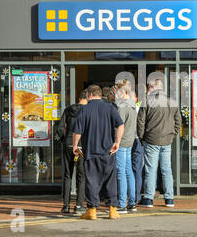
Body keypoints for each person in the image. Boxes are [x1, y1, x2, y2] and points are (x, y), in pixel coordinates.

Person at [72, 84, 125, 220]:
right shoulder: (110, 108)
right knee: (110, 181)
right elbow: (120, 125)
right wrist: (117, 142)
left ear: (89, 95)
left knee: (91, 181)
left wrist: (75, 146)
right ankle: (112, 209)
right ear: (100, 95)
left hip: (91, 152)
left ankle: (92, 210)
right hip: (108, 151)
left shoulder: (84, 110)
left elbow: (77, 131)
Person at [137, 78, 181, 208]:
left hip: (151, 139)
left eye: (149, 87)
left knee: (151, 169)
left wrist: (141, 137)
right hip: (167, 140)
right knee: (166, 169)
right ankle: (169, 198)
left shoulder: (147, 101)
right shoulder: (172, 101)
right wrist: (173, 134)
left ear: (152, 87)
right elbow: (178, 121)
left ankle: (149, 198)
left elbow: (140, 122)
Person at [57, 89, 88, 215]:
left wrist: (65, 141)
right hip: (80, 146)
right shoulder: (86, 111)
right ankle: (79, 205)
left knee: (67, 175)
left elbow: (59, 128)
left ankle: (65, 205)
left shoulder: (68, 110)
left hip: (68, 145)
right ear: (87, 98)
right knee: (81, 176)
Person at [114, 86, 138, 213]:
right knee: (129, 171)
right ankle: (132, 203)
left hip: (122, 142)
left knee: (121, 172)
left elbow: (119, 125)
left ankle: (122, 204)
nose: (116, 96)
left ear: (124, 93)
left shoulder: (123, 108)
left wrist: (116, 141)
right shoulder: (133, 107)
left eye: (118, 94)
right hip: (129, 141)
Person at [129, 90, 144, 205]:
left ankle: (130, 195)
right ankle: (136, 196)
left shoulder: (124, 108)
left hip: (129, 140)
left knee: (127, 169)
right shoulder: (140, 108)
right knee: (137, 169)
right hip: (138, 140)